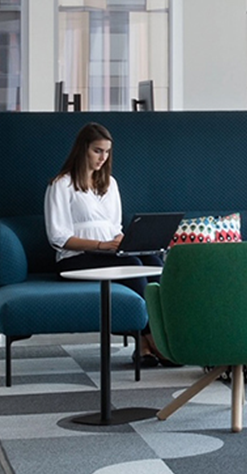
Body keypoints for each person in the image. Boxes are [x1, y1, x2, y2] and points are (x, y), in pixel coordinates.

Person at [44, 122, 172, 367]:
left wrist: (126, 242)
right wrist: (102, 246)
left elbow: (115, 227)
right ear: (82, 150)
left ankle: (149, 342)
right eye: (97, 151)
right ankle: (153, 341)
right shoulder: (61, 185)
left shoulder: (110, 184)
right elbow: (58, 238)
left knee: (153, 262)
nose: (103, 157)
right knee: (132, 264)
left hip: (109, 253)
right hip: (75, 259)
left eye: (107, 152)